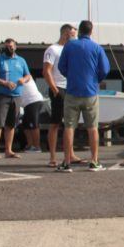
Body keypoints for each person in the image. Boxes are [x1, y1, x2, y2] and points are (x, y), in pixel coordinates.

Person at [56, 19, 110, 172]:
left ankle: (66, 162)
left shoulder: (70, 45)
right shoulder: (97, 48)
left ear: (79, 31)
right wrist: (95, 80)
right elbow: (105, 69)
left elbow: (61, 67)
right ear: (91, 31)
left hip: (72, 91)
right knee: (92, 127)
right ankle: (94, 161)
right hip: (90, 92)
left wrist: (71, 76)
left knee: (69, 127)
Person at [0, 38, 32, 159]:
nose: (9, 48)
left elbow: (28, 75)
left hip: (16, 96)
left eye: (11, 46)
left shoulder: (21, 60)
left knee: (11, 124)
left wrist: (24, 79)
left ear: (15, 47)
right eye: (7, 47)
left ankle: (9, 150)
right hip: (1, 96)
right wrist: (4, 83)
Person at [43, 24, 77, 168]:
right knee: (56, 122)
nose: (75, 37)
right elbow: (46, 70)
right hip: (59, 88)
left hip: (70, 89)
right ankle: (52, 157)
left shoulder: (71, 49)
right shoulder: (52, 49)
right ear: (65, 34)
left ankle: (71, 154)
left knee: (70, 123)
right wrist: (54, 89)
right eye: (73, 34)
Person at [17, 77, 45, 153]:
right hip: (27, 103)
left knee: (33, 124)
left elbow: (27, 77)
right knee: (25, 125)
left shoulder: (25, 75)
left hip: (33, 101)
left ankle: (37, 147)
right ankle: (30, 145)